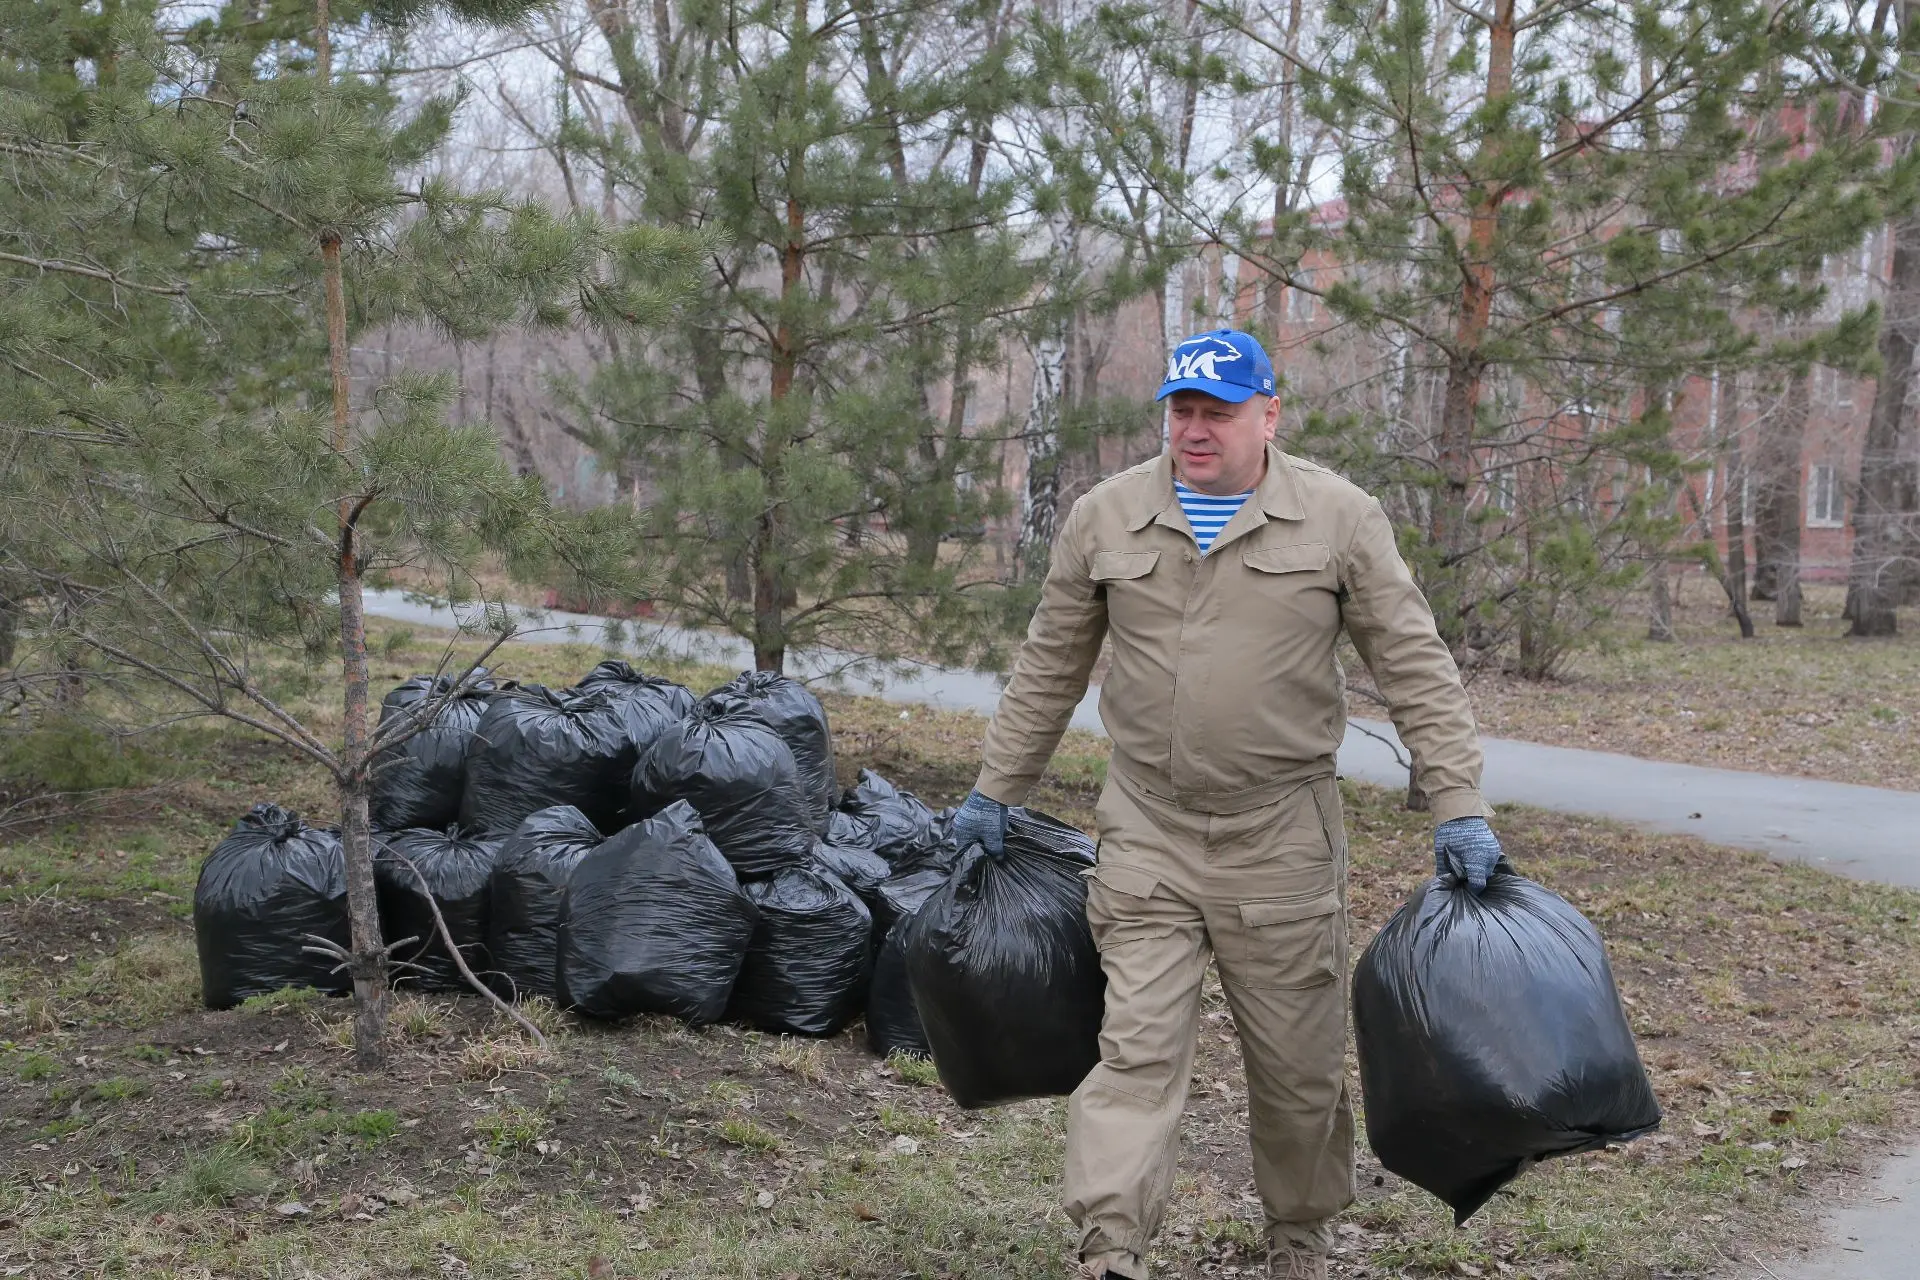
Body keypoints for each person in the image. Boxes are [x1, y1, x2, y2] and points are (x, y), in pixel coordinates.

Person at [951, 328, 1501, 1280]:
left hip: (1279, 834)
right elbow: (1050, 663)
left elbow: (1414, 664)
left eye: (1217, 412)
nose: (1194, 431)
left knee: (1297, 1070)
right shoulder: (1107, 516)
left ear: (1268, 414)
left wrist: (1458, 802)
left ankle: (1300, 1242)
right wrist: (997, 789)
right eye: (1181, 411)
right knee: (1134, 1051)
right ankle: (1110, 1247)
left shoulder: (1338, 518)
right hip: (1147, 828)